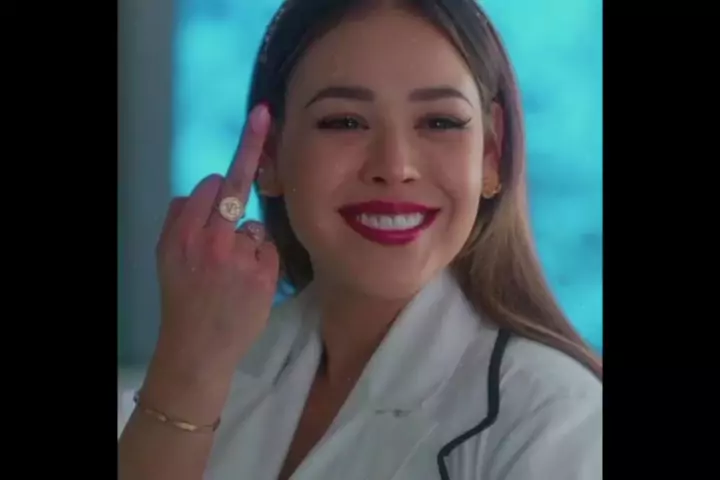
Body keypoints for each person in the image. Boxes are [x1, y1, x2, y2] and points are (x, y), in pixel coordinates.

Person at [118, 0, 602, 479]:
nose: (395, 166)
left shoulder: (555, 420)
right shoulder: (199, 374)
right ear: (269, 155)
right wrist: (187, 368)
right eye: (344, 122)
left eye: (439, 122)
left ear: (491, 155)